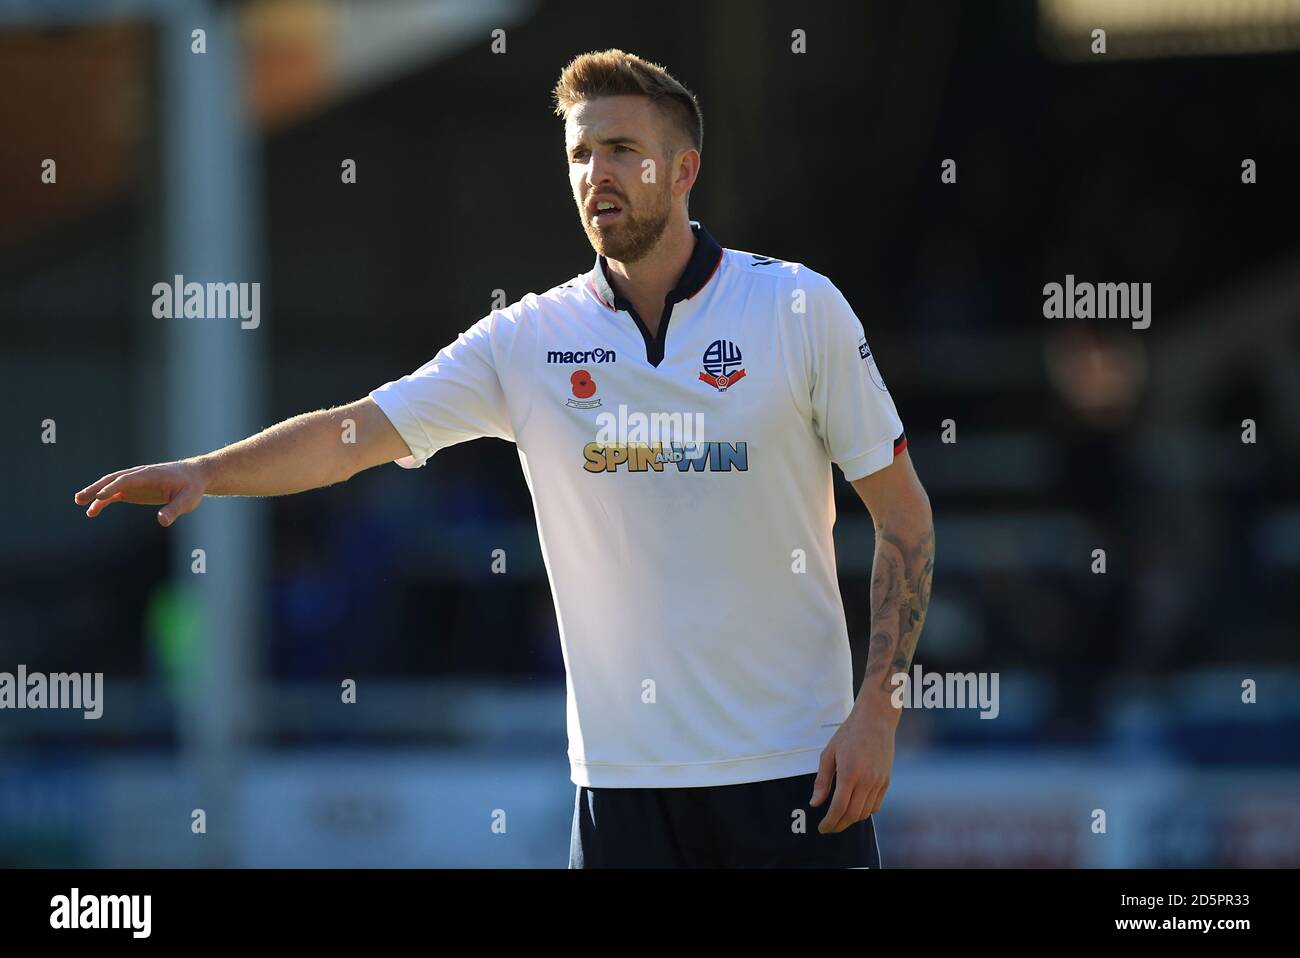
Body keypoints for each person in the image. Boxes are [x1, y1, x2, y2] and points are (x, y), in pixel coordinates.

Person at [74, 49, 934, 868]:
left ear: (684, 171)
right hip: (623, 789)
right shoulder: (527, 339)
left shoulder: (797, 308)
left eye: (621, 150)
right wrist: (208, 472)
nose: (595, 174)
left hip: (796, 770)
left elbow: (903, 516)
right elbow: (353, 434)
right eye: (580, 154)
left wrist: (879, 713)